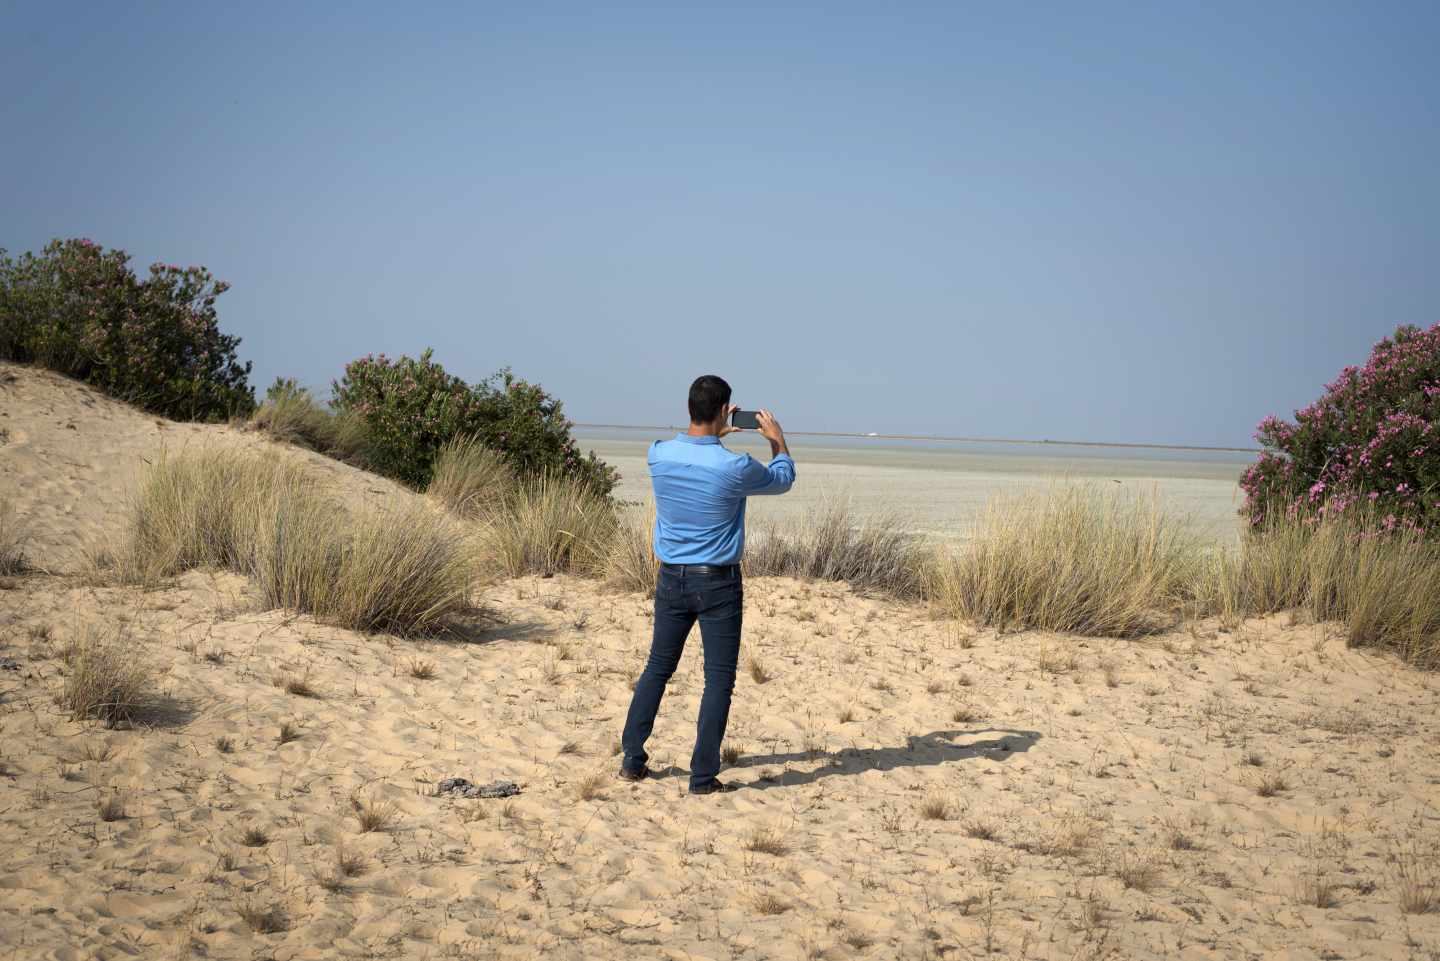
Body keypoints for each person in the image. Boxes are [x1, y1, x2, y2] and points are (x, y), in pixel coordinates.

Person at [618, 375, 795, 795]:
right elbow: (783, 479)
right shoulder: (735, 467)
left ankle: (632, 759)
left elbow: (693, 449)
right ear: (723, 411)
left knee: (657, 669)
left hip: (671, 579)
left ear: (688, 410)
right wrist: (777, 440)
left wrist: (714, 431)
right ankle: (701, 777)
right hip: (718, 584)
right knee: (717, 680)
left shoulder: (658, 455)